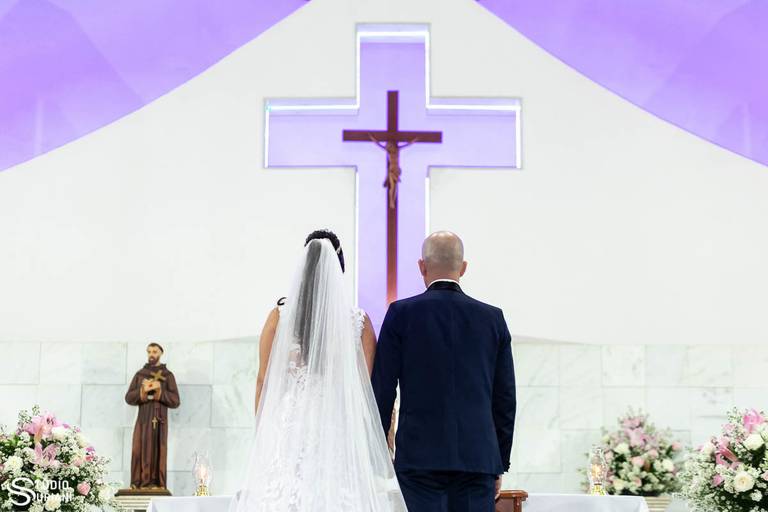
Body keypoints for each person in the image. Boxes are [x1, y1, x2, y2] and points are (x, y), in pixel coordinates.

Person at [232, 230, 407, 512]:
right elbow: (367, 391)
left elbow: (263, 380)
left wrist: (263, 433)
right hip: (337, 424)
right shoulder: (359, 323)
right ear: (339, 271)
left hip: (289, 425)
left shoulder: (279, 316)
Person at [372, 231, 517, 512]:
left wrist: (377, 455)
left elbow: (382, 390)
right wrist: (498, 462)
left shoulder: (400, 314)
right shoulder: (492, 319)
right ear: (463, 268)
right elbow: (505, 398)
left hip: (418, 460)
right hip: (478, 459)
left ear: (422, 267)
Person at [125, 342, 181, 490]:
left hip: (159, 420)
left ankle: (157, 484)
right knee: (138, 450)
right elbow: (129, 397)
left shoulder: (168, 376)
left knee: (157, 450)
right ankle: (137, 483)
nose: (151, 354)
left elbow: (175, 401)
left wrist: (160, 391)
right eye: (149, 351)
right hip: (143, 420)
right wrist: (142, 391)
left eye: (155, 351)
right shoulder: (140, 374)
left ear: (161, 353)